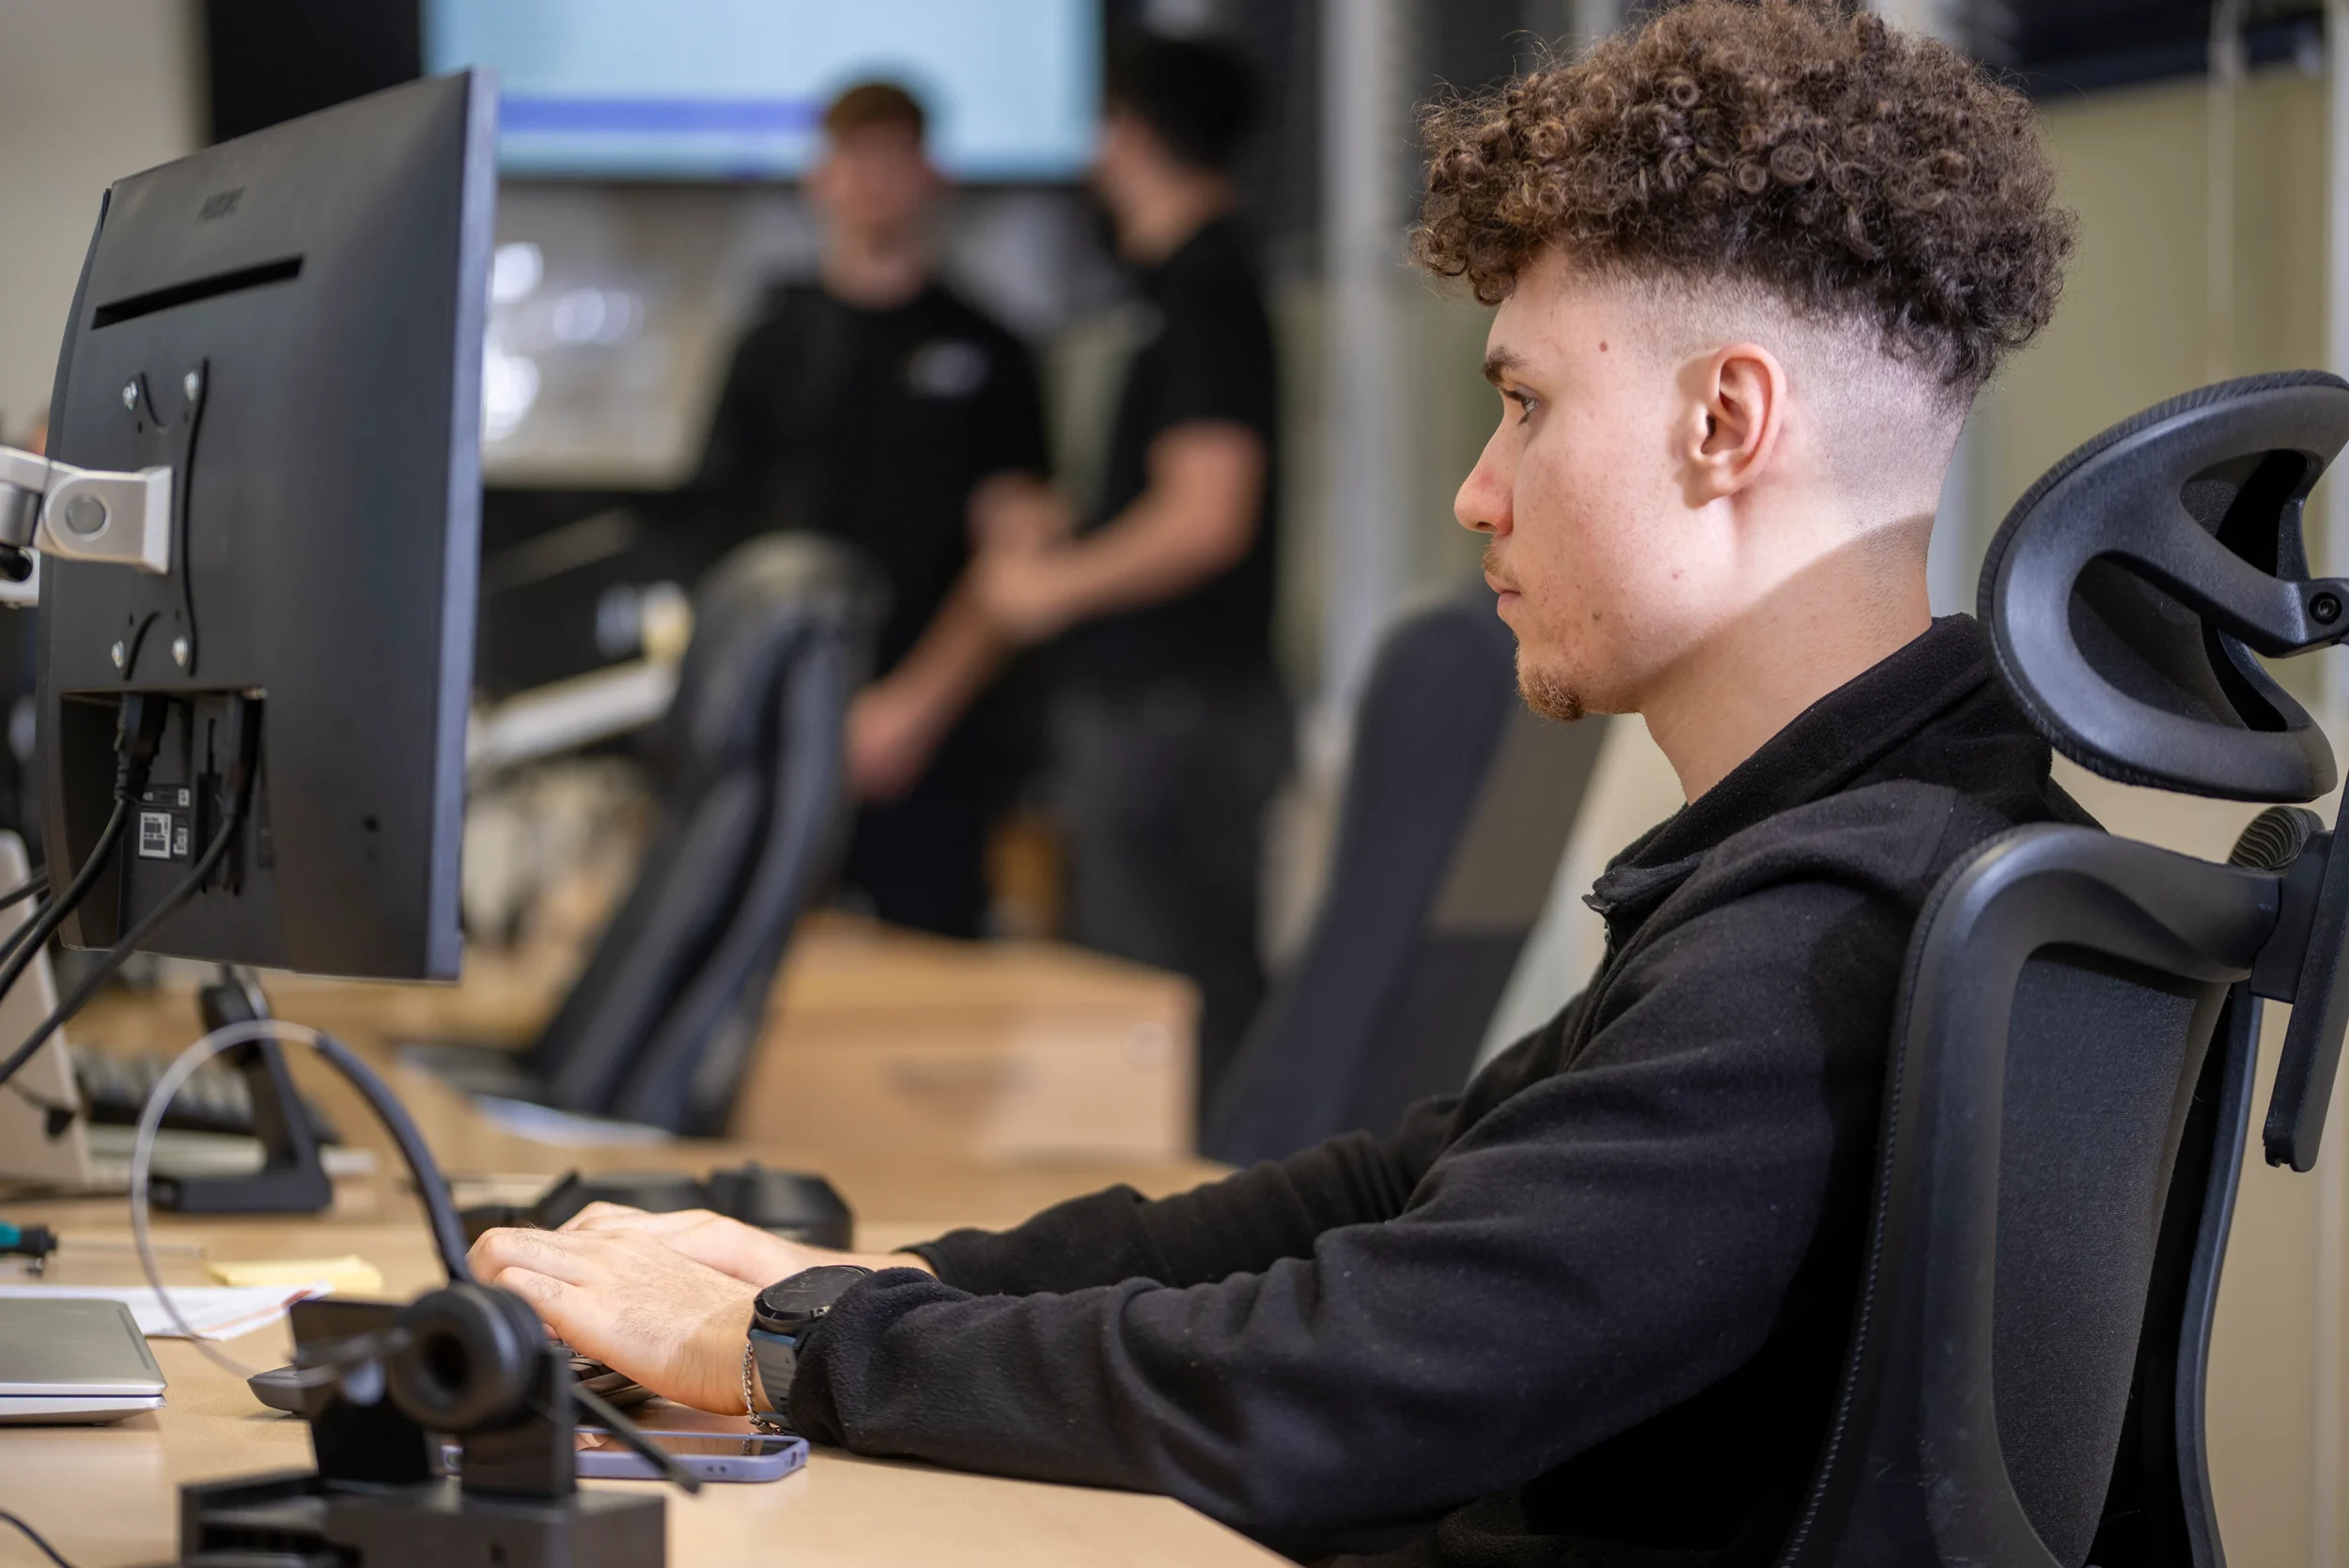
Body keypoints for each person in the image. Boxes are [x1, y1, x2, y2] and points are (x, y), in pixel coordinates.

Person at [469, 6, 2078, 1563]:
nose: (1476, 489)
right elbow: (1385, 1193)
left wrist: (800, 1346)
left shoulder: (1817, 949)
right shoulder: (1848, 847)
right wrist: (875, 1274)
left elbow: (1340, 1376)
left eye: (1523, 403)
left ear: (1725, 420)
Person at [971, 37, 1286, 1107]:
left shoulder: (1205, 286)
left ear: (1132, 135)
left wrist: (1046, 588)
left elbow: (1206, 514)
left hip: (1173, 716)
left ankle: (1218, 1252)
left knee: (1170, 1015)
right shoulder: (1172, 289)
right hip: (1156, 709)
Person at [692, 81, 1052, 939]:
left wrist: (909, 710)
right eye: (856, 159)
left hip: (931, 738)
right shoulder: (770, 344)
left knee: (926, 999)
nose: (874, 181)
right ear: (822, 177)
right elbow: (718, 543)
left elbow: (1020, 552)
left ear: (932, 175)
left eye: (896, 159)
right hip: (780, 732)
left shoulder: (992, 351)